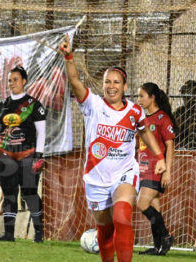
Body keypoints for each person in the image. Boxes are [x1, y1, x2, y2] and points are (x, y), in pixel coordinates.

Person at [59, 35, 166, 262]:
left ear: (125, 86)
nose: (111, 86)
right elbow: (75, 81)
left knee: (122, 216)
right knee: (105, 231)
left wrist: (160, 157)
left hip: (124, 173)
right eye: (108, 82)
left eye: (116, 82)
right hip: (96, 178)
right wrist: (69, 57)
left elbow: (145, 132)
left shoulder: (135, 111)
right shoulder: (93, 104)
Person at [0, 66, 47, 243]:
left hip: (27, 155)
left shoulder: (34, 105)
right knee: (9, 194)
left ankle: (39, 232)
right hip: (5, 155)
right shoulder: (3, 105)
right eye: (10, 80)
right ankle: (8, 234)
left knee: (30, 193)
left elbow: (41, 133)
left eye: (15, 79)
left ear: (24, 81)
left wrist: (38, 155)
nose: (12, 83)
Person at [136, 82, 177, 256]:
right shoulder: (143, 120)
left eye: (142, 96)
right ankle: (158, 246)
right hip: (143, 169)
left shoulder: (163, 119)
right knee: (155, 208)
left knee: (141, 203)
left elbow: (170, 146)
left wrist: (167, 170)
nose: (139, 100)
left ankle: (166, 237)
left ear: (152, 98)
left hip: (157, 170)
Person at [173, 80, 196, 149]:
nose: (184, 97)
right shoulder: (181, 111)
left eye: (185, 93)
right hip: (182, 143)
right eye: (183, 93)